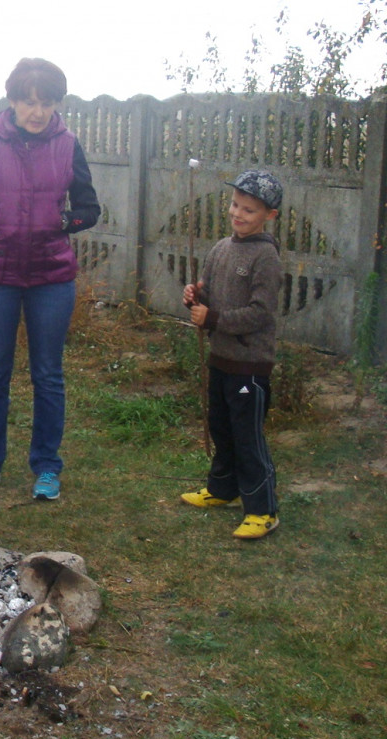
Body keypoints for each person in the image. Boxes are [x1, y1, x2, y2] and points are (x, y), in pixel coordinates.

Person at [0, 58, 100, 500]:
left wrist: (63, 222)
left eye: (47, 103)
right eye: (29, 102)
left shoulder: (68, 144)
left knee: (48, 375)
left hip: (52, 276)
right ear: (12, 100)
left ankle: (47, 466)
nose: (38, 112)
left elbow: (89, 208)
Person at [181, 170, 283, 540]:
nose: (238, 214)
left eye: (249, 210)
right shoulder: (220, 249)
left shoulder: (266, 257)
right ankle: (223, 489)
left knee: (246, 436)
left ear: (269, 215)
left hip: (249, 366)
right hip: (220, 359)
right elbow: (208, 297)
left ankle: (263, 510)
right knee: (221, 428)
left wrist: (214, 318)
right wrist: (195, 298)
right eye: (236, 205)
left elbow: (261, 313)